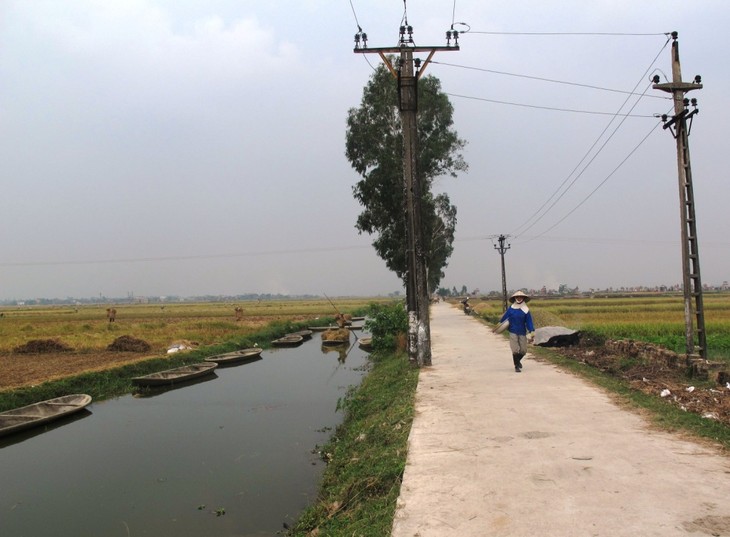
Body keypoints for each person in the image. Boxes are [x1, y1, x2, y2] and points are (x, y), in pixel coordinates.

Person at [499, 290, 535, 372]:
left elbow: (529, 321)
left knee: (523, 350)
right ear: (515, 298)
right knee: (515, 350)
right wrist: (498, 327)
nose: (519, 298)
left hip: (522, 331)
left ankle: (517, 361)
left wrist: (531, 330)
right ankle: (516, 366)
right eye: (517, 297)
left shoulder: (526, 310)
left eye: (520, 297)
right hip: (513, 331)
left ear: (523, 298)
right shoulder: (511, 309)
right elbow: (504, 319)